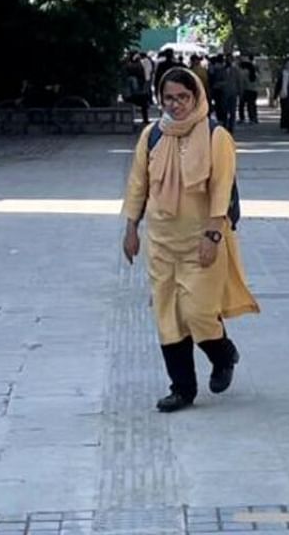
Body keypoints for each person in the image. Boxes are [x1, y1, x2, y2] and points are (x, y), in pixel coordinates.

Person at [121, 68, 259, 412]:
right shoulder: (152, 135)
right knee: (168, 316)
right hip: (161, 241)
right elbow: (139, 183)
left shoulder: (216, 136)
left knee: (198, 312)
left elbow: (221, 189)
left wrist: (213, 235)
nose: (176, 104)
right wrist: (130, 228)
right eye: (169, 98)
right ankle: (182, 389)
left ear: (196, 96)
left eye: (183, 97)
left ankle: (223, 354)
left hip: (202, 241)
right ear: (160, 99)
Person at [209, 55, 245, 132]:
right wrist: (221, 84)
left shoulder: (236, 70)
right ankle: (225, 125)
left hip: (233, 92)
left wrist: (240, 92)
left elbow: (239, 82)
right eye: (227, 59)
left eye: (230, 59)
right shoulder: (221, 70)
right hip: (223, 93)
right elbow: (217, 81)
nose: (228, 61)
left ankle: (231, 127)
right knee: (224, 110)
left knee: (232, 111)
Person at [123, 53, 151, 124]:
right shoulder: (138, 66)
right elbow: (142, 76)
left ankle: (143, 120)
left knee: (142, 102)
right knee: (144, 102)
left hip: (130, 93)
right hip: (137, 92)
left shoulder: (127, 67)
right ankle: (145, 120)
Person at [239, 56, 260, 124]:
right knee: (252, 105)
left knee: (242, 105)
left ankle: (242, 118)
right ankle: (254, 118)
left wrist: (241, 91)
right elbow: (258, 82)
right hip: (254, 90)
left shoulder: (245, 73)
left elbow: (242, 82)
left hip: (247, 90)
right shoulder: (256, 74)